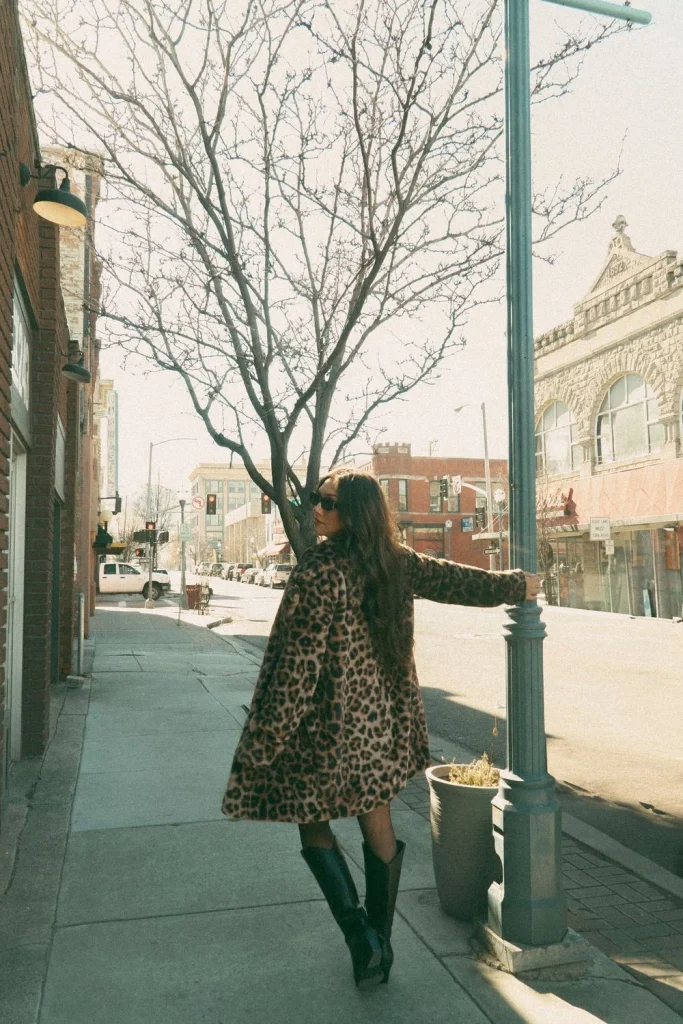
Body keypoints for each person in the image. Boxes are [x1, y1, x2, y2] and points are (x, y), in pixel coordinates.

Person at [222, 469, 539, 990]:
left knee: (312, 822)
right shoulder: (393, 563)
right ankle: (379, 944)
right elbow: (457, 580)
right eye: (313, 499)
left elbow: (295, 668)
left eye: (327, 501)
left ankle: (364, 940)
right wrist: (514, 586)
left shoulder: (318, 571)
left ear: (355, 511)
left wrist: (265, 738)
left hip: (322, 733)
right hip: (380, 730)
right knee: (378, 821)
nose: (315, 508)